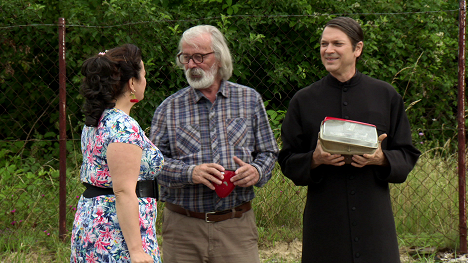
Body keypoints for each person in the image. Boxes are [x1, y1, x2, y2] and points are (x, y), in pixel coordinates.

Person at [278, 17, 421, 262]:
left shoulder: (385, 95)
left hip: (374, 220)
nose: (328, 50)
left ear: (357, 49)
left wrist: (381, 159)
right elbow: (288, 160)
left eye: (337, 44)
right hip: (324, 220)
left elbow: (407, 153)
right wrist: (314, 159)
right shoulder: (303, 100)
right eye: (324, 44)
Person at [149, 25, 279, 263]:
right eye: (185, 58)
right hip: (183, 229)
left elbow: (269, 152)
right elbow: (152, 166)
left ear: (219, 58)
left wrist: (257, 171)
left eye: (199, 57)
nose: (191, 65)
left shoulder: (249, 100)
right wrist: (190, 172)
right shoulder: (169, 108)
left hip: (236, 226)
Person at [70, 44, 163, 263]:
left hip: (95, 223)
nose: (145, 81)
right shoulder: (122, 127)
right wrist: (137, 251)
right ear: (132, 83)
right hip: (116, 234)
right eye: (144, 76)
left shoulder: (98, 120)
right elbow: (122, 191)